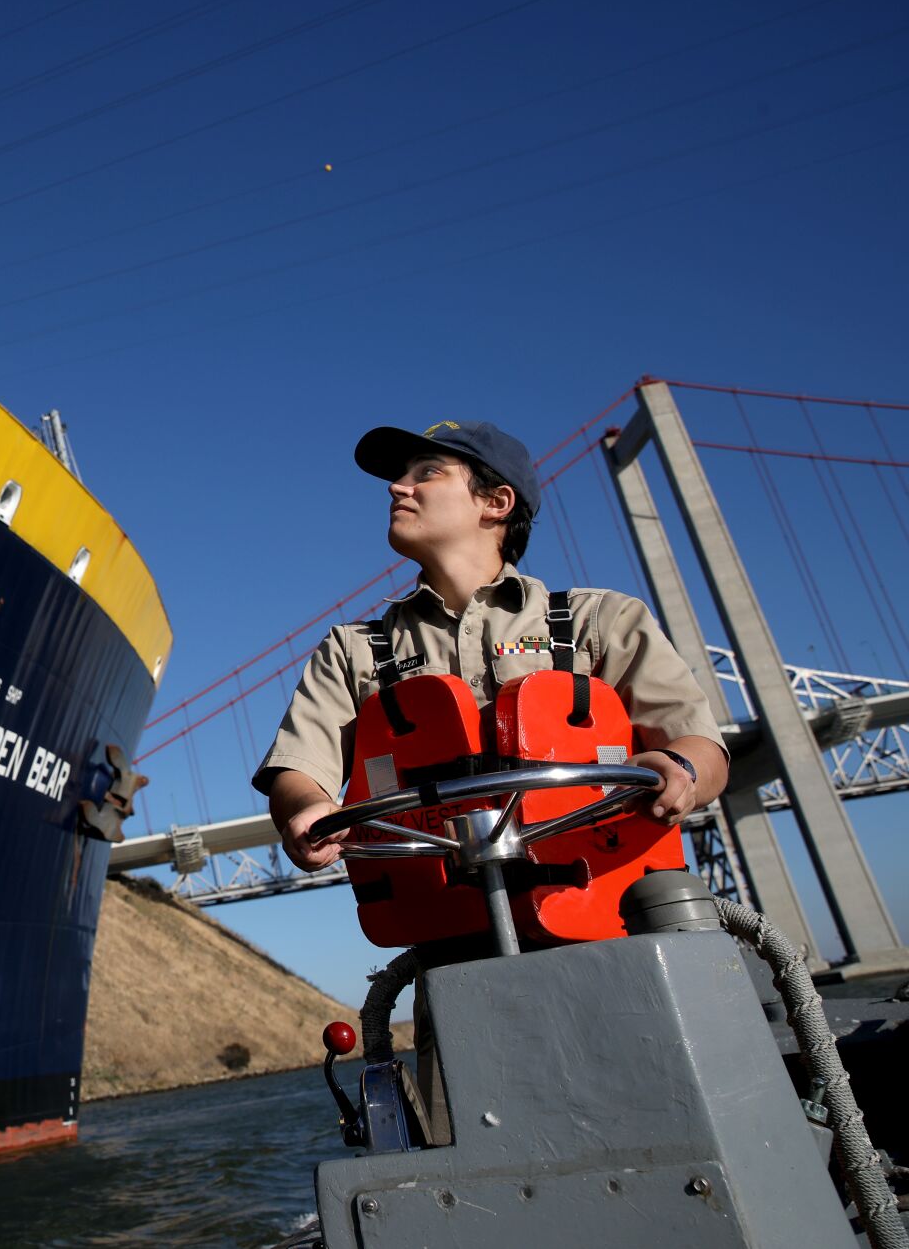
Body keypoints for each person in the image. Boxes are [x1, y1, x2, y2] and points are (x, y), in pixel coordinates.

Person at [251, 419, 729, 1141]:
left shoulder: (596, 621)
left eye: (424, 474)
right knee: (485, 1155)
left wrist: (682, 767)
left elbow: (703, 745)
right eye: (399, 476)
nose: (396, 487)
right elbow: (299, 770)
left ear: (495, 502)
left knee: (664, 1137)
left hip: (617, 937)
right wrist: (307, 811)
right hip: (452, 962)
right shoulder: (353, 653)